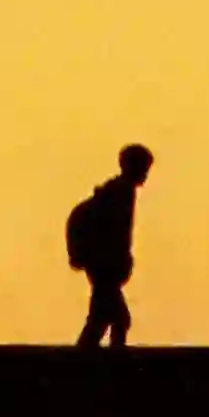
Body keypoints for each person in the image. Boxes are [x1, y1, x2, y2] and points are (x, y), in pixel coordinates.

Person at [65, 143, 152, 349]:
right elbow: (116, 232)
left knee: (104, 317)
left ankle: (90, 357)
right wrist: (119, 259)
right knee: (115, 318)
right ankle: (100, 361)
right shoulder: (121, 193)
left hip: (101, 263)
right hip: (103, 265)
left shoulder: (118, 191)